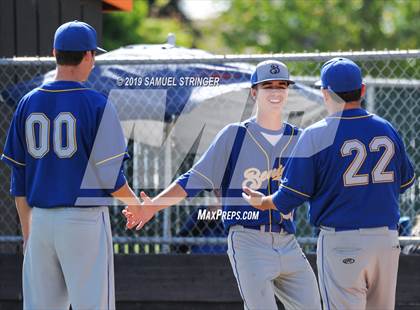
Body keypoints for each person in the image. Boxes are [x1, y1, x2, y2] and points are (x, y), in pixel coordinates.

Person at [124, 60, 321, 310]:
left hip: (288, 241)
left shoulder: (299, 138)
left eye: (281, 86)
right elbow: (192, 180)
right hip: (248, 240)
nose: (275, 92)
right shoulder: (234, 136)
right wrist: (152, 207)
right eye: (267, 86)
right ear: (254, 92)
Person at [243, 57, 415, 309]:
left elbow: (288, 197)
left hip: (341, 242)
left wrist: (263, 201)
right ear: (363, 90)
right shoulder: (386, 128)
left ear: (326, 93)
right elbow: (405, 182)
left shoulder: (316, 134)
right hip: (386, 240)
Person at [1, 21, 141, 309]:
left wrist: (29, 232)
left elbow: (19, 179)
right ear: (89, 56)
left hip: (39, 221)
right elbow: (110, 176)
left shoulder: (27, 103)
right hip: (83, 222)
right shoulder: (96, 104)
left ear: (55, 52)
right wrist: (137, 204)